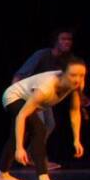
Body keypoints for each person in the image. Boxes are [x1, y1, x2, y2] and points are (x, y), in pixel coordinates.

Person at [0, 58, 85, 180]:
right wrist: (20, 148)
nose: (77, 80)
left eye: (81, 75)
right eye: (73, 75)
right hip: (13, 97)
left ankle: (2, 174)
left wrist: (76, 139)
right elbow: (22, 115)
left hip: (28, 100)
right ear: (62, 73)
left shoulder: (77, 85)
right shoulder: (46, 87)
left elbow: (75, 110)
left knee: (17, 137)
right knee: (39, 130)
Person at [12, 29, 75, 170]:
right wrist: (15, 99)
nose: (67, 42)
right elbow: (20, 75)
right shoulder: (42, 55)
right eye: (63, 39)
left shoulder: (67, 60)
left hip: (45, 97)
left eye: (69, 39)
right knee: (39, 127)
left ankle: (30, 155)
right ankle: (39, 159)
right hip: (31, 94)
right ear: (56, 41)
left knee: (50, 125)